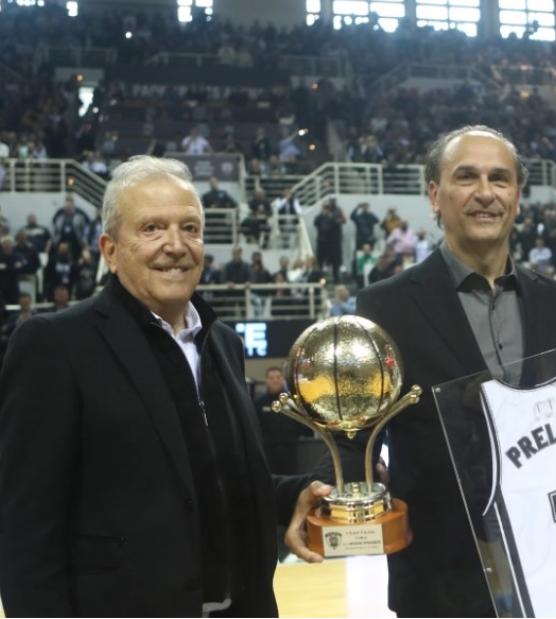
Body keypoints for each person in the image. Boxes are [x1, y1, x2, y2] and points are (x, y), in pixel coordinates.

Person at [337, 125, 556, 617]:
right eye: (467, 177)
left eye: (500, 179)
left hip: (554, 570)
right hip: (441, 581)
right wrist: (338, 487)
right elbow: (354, 436)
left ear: (517, 198)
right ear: (435, 196)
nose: (485, 193)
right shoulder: (385, 306)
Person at [0, 156, 329, 616]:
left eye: (189, 228)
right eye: (152, 228)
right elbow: (26, 527)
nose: (175, 245)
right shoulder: (55, 344)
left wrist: (292, 496)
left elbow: (208, 476)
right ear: (110, 250)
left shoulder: (224, 343)